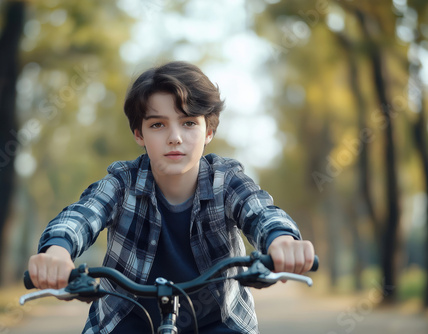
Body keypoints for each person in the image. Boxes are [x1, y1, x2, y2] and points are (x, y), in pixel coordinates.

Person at [28, 61, 315, 334]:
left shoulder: (226, 180)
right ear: (139, 134)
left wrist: (282, 240)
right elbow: (82, 215)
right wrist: (57, 251)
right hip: (126, 320)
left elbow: (260, 211)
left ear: (209, 131)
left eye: (189, 123)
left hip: (219, 321)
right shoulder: (122, 183)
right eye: (158, 125)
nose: (175, 137)